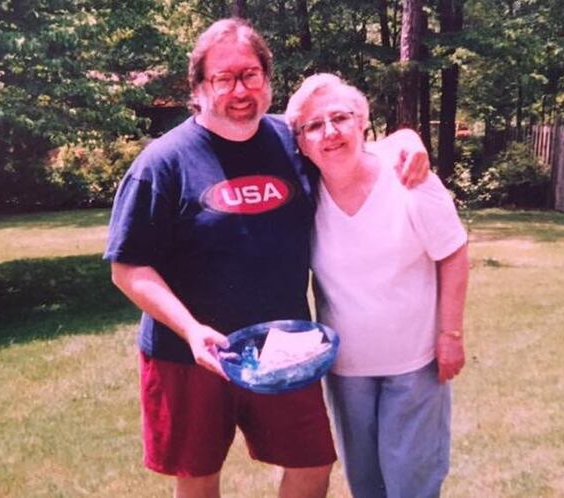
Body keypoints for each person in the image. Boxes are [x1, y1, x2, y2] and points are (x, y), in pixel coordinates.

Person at [104, 18, 429, 498]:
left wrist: (406, 139)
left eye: (250, 74)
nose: (240, 89)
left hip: (285, 349)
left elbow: (355, 148)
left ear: (267, 79)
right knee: (197, 478)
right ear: (199, 86)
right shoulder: (163, 163)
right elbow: (128, 268)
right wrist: (192, 331)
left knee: (313, 463)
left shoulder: (292, 142)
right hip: (188, 356)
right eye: (224, 78)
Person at [285, 73, 469, 498]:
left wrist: (451, 334)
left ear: (363, 123)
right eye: (313, 125)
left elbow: (454, 253)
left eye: (341, 118)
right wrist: (405, 134)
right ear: (300, 141)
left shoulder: (409, 179)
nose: (329, 132)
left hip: (416, 363)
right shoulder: (305, 195)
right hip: (347, 369)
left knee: (411, 485)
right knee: (366, 486)